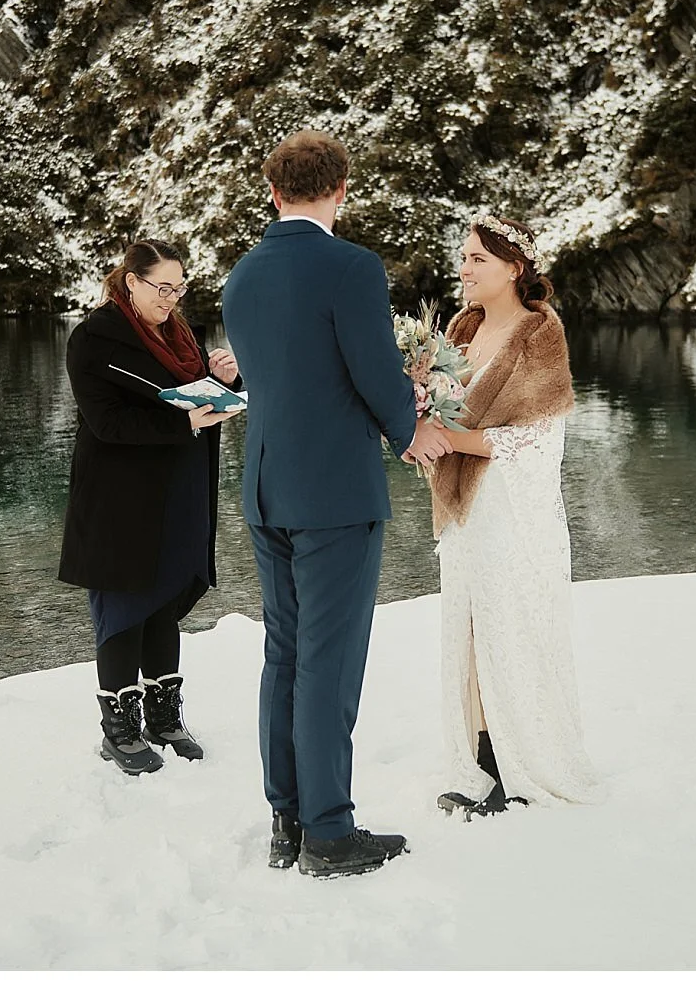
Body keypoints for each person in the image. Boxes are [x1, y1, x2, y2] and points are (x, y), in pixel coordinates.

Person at [221, 130, 452, 878]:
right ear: (341, 189)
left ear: (272, 191)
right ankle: (328, 832)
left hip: (265, 487)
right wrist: (408, 429)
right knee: (329, 659)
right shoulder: (352, 267)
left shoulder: (240, 277)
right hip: (334, 495)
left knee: (284, 653)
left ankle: (285, 821)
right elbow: (372, 368)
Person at [426, 216, 601, 817]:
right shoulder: (460, 327)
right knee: (469, 628)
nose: (465, 268)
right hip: (464, 509)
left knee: (510, 627)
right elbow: (439, 406)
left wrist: (442, 433)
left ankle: (516, 762)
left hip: (512, 507)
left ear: (514, 267)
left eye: (477, 258)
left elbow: (536, 442)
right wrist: (420, 419)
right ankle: (478, 757)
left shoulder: (539, 334)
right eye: (464, 257)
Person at [58, 239, 241, 776]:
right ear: (131, 281)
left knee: (163, 599)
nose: (172, 298)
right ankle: (120, 728)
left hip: (181, 488)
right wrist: (182, 422)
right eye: (162, 288)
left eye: (179, 288)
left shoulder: (182, 335)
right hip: (120, 497)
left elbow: (196, 393)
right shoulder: (93, 340)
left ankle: (164, 718)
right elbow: (106, 423)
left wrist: (226, 382)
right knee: (123, 604)